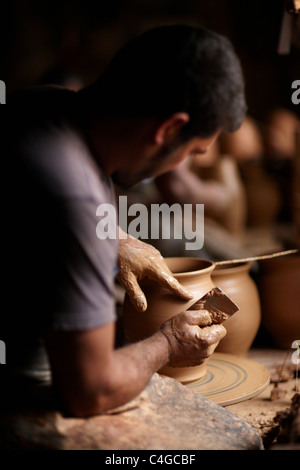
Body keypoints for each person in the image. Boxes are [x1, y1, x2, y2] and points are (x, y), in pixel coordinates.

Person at [2, 24, 246, 418]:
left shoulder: (43, 105)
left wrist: (118, 238)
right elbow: (88, 393)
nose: (184, 163)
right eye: (194, 151)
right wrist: (167, 344)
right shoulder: (73, 194)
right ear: (169, 129)